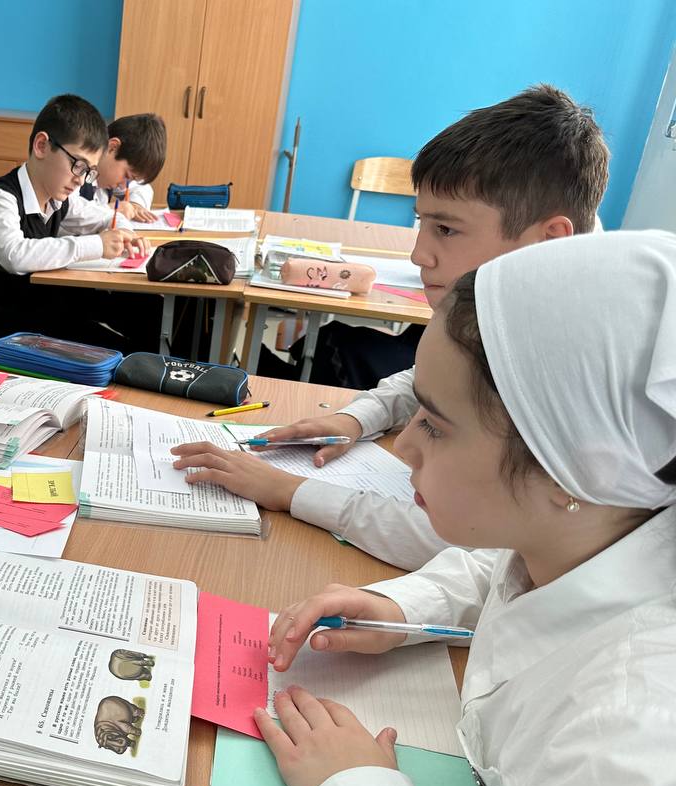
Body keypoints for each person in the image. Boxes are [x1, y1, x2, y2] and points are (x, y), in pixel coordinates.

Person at [256, 230, 676, 786]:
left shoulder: (639, 725)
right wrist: (405, 608)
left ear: (570, 470)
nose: (405, 447)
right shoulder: (605, 524)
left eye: (436, 425)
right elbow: (501, 567)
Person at [172, 84, 609, 570]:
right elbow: (431, 381)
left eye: (446, 229)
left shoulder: (580, 365)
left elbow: (470, 549)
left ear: (547, 240)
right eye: (422, 223)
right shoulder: (523, 299)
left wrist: (291, 491)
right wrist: (355, 419)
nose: (419, 254)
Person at [0, 94, 157, 351]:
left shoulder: (59, 199)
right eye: (78, 165)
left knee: (146, 312)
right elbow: (16, 255)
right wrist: (96, 245)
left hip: (43, 308)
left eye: (89, 172)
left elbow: (105, 216)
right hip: (2, 328)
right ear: (41, 146)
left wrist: (126, 234)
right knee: (121, 354)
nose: (81, 180)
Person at [79, 113, 167, 223]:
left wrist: (135, 205)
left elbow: (143, 187)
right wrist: (111, 210)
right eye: (126, 176)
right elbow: (70, 216)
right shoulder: (77, 173)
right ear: (112, 147)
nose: (124, 186)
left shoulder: (105, 174)